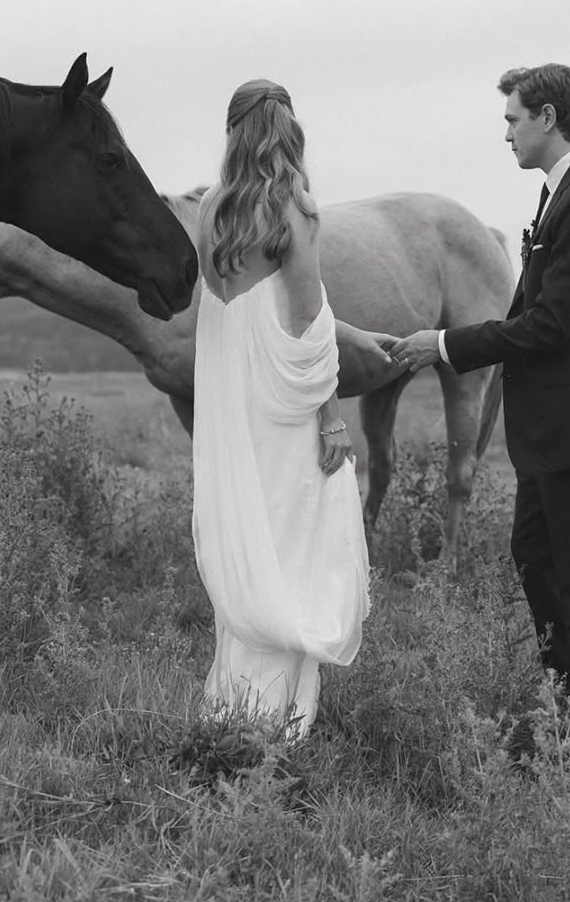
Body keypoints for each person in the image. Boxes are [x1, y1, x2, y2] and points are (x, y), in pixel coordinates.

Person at [387, 64, 570, 769]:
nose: (506, 134)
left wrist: (443, 344)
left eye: (512, 119)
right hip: (553, 430)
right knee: (535, 555)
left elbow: (551, 323)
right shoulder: (563, 192)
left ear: (548, 117)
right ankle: (564, 710)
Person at [190, 79, 374, 738]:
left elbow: (227, 307)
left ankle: (234, 706)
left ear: (233, 132)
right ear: (288, 133)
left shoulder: (210, 209)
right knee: (294, 542)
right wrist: (330, 415)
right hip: (282, 401)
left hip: (233, 401)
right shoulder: (294, 210)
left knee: (250, 531)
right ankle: (280, 718)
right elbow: (306, 324)